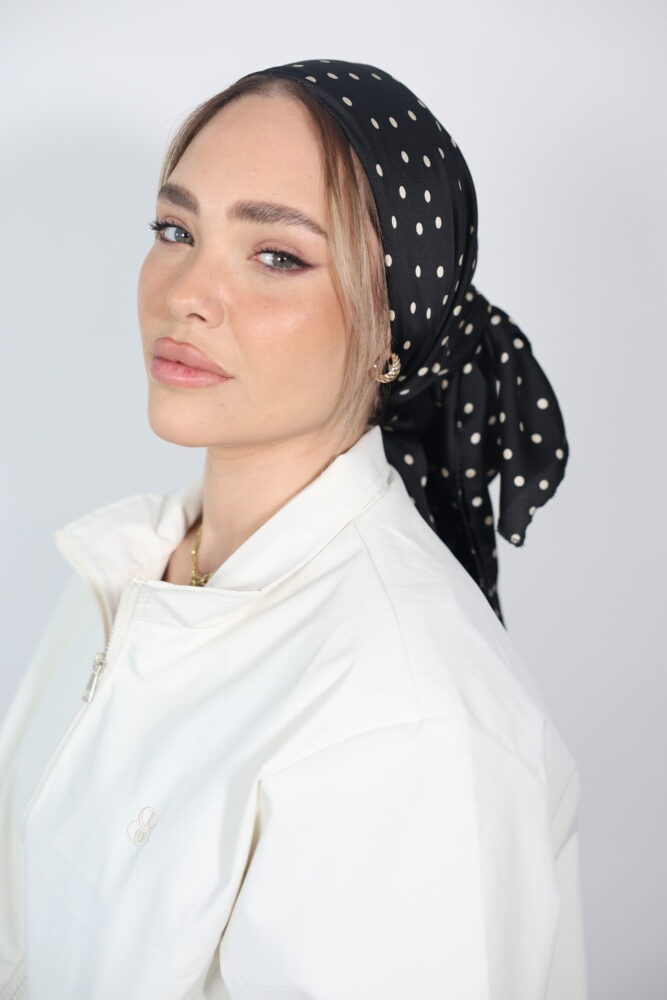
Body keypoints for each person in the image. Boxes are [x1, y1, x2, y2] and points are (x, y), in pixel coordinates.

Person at [0, 58, 587, 999]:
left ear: (392, 323)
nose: (186, 292)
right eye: (175, 229)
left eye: (276, 255)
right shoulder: (126, 571)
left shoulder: (406, 723)